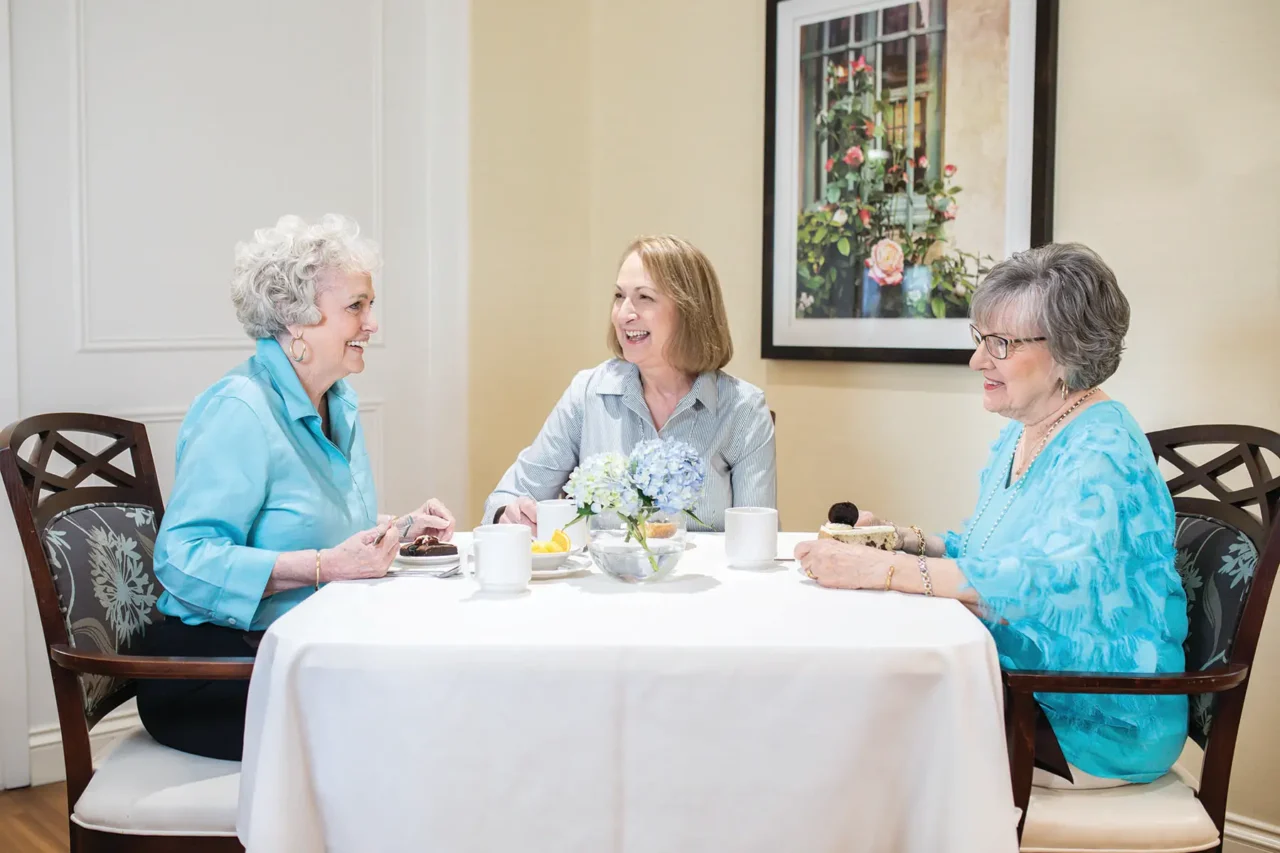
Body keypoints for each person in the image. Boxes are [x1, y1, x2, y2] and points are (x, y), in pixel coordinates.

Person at [795, 243, 1188, 787]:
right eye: (981, 340)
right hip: (1021, 685)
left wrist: (881, 572)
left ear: (1069, 350)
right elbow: (999, 557)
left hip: (1089, 719)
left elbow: (1055, 583)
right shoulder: (1025, 430)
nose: (979, 360)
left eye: (1001, 344)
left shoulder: (1103, 449)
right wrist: (904, 542)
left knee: (860, 736)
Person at [138, 214, 456, 760]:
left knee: (444, 690)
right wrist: (322, 568)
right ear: (295, 321)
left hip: (299, 656)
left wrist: (399, 531)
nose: (372, 323)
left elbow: (325, 532)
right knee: (416, 724)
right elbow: (182, 560)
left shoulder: (336, 403)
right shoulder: (240, 409)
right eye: (356, 306)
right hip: (219, 672)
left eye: (369, 304)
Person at [483, 235, 776, 532]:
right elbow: (509, 496)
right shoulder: (588, 392)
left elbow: (759, 542)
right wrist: (509, 513)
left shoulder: (744, 410)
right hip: (606, 577)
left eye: (644, 297)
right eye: (619, 296)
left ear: (691, 311)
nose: (623, 314)